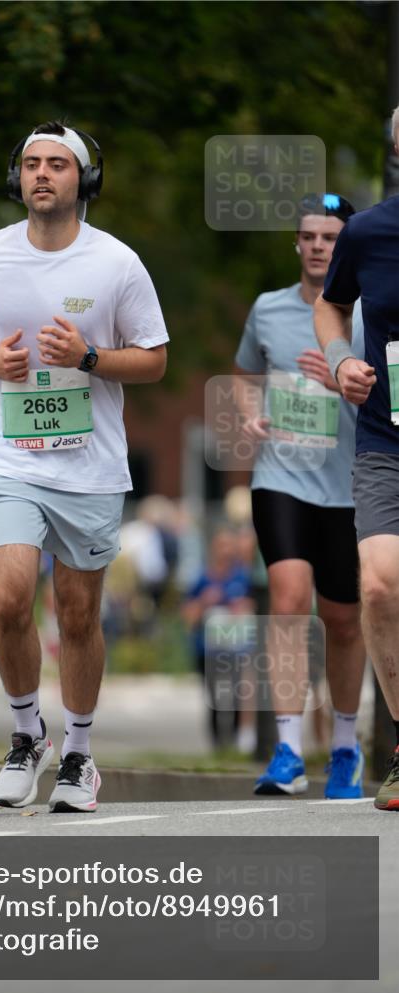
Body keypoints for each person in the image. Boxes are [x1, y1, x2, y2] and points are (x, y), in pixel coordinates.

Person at [0, 120, 168, 811]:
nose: (42, 174)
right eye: (31, 165)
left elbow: (155, 360)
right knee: (10, 596)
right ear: (16, 179)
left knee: (77, 615)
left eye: (57, 165)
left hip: (88, 468)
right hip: (10, 459)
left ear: (83, 180)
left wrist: (87, 358)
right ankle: (26, 736)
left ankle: (77, 752)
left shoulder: (117, 264)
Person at [234, 192, 367, 798]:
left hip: (350, 483)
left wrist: (339, 380)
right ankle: (287, 748)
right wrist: (250, 414)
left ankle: (344, 745)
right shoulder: (267, 309)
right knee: (287, 599)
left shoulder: (367, 314)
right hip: (280, 476)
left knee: (342, 619)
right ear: (296, 243)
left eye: (331, 238)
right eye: (309, 236)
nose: (318, 246)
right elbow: (244, 376)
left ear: (347, 247)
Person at [314, 106, 399, 811]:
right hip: (385, 438)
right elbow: (329, 306)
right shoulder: (368, 232)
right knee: (377, 586)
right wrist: (341, 361)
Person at [182, 527, 255, 749]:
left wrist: (244, 607)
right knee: (213, 697)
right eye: (221, 546)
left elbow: (256, 606)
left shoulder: (243, 577)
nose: (226, 551)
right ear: (213, 549)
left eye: (229, 546)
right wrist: (204, 602)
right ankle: (217, 743)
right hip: (207, 649)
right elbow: (188, 615)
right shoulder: (202, 578)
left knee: (235, 693)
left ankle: (233, 740)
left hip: (236, 648)